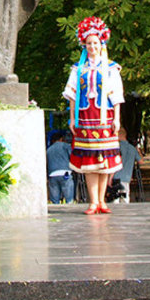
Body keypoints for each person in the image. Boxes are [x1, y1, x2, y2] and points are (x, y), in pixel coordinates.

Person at [63, 16, 124, 215]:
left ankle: (102, 201)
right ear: (84, 45)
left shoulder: (110, 67)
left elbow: (116, 95)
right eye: (88, 43)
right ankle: (93, 201)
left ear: (101, 43)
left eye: (95, 43)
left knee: (105, 161)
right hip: (85, 117)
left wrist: (116, 118)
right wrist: (72, 118)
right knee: (89, 162)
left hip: (104, 117)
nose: (92, 47)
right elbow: (72, 95)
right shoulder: (78, 68)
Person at [111, 129, 143, 203]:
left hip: (116, 177)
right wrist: (138, 151)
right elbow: (141, 161)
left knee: (115, 199)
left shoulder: (115, 147)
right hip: (127, 177)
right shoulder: (132, 148)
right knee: (125, 198)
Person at [46, 131, 74, 204]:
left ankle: (56, 211)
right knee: (69, 198)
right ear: (61, 139)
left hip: (52, 175)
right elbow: (72, 157)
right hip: (65, 173)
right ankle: (69, 210)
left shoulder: (48, 150)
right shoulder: (66, 146)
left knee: (55, 200)